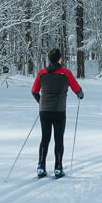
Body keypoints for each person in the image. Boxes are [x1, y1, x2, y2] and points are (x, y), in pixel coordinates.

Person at [30, 48, 83, 178]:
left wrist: (41, 102)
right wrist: (80, 95)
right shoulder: (66, 73)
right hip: (59, 111)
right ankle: (58, 168)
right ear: (59, 59)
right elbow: (78, 91)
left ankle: (41, 167)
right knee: (58, 139)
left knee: (45, 138)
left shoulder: (42, 73)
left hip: (44, 111)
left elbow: (34, 91)